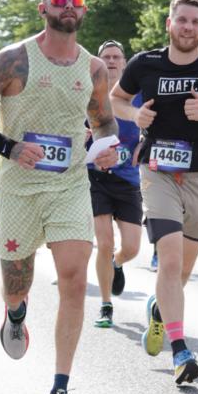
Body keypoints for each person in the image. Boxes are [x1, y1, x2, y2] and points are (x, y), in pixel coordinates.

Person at [0, 0, 119, 394]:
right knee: (17, 280)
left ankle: (61, 390)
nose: (69, 5)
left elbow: (103, 121)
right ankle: (15, 313)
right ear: (43, 7)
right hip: (18, 189)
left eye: (76, 1)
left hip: (69, 184)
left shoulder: (94, 69)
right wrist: (7, 146)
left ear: (84, 10)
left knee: (73, 278)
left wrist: (107, 148)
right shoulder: (14, 60)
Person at [110, 0, 198, 386]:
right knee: (168, 261)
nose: (187, 27)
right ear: (169, 24)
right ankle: (180, 349)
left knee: (183, 270)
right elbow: (115, 99)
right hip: (156, 170)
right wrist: (134, 113)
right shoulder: (145, 63)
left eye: (195, 22)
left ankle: (160, 311)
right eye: (182, 20)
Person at [88, 40, 143, 328]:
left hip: (128, 179)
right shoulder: (87, 92)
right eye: (106, 57)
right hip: (95, 177)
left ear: (124, 63)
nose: (111, 61)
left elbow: (155, 123)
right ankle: (106, 305)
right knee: (104, 243)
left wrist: (144, 143)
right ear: (98, 63)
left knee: (132, 247)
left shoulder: (138, 94)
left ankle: (118, 264)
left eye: (116, 57)